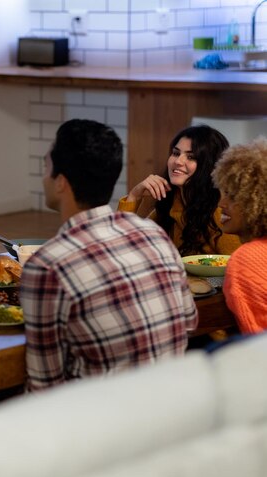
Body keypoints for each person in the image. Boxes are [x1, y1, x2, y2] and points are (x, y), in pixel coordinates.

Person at [20, 119, 197, 392]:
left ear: (61, 183)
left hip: (106, 426)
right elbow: (188, 322)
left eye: (46, 167)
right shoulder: (154, 234)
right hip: (174, 409)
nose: (44, 176)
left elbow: (45, 387)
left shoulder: (47, 265)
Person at [118, 125, 240, 255]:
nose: (178, 161)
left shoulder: (220, 210)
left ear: (209, 165)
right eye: (176, 153)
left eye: (191, 157)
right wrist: (134, 196)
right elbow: (120, 245)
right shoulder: (170, 202)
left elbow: (240, 266)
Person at [211, 137, 267, 334]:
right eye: (223, 193)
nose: (221, 204)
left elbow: (257, 343)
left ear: (257, 203)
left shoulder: (246, 259)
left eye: (232, 196)